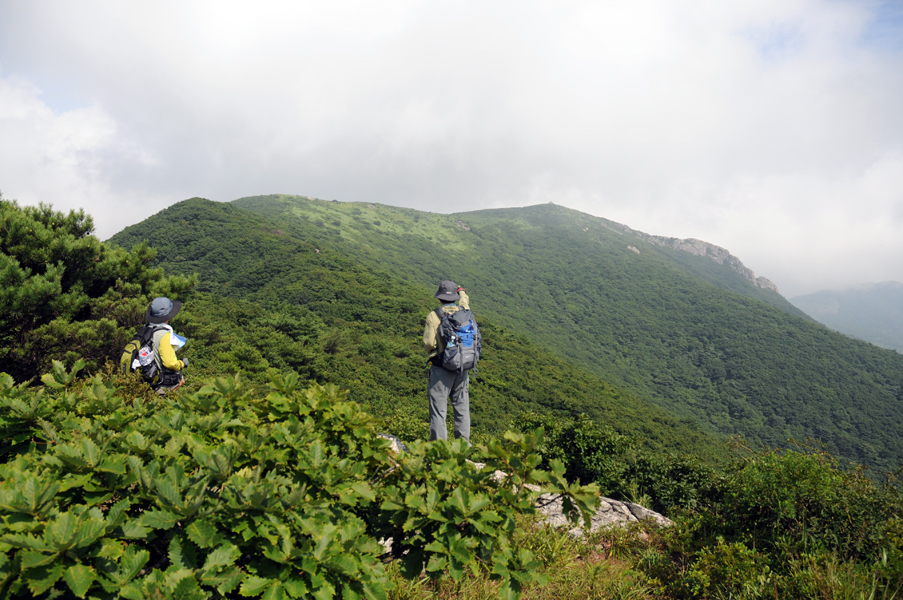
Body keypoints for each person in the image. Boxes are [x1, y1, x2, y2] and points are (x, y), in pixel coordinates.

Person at [423, 280, 471, 441]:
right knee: (462, 408)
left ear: (439, 298)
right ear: (455, 297)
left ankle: (439, 448)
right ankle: (463, 447)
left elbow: (430, 343)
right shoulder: (463, 312)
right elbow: (465, 302)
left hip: (441, 367)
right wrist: (461, 291)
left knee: (438, 410)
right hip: (462, 366)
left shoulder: (434, 315)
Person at [145, 296, 189, 394]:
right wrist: (182, 364)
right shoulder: (164, 335)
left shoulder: (146, 330)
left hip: (147, 382)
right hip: (161, 387)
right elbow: (170, 363)